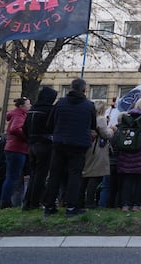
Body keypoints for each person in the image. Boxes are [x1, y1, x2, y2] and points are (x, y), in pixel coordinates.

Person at [42, 78, 97, 218]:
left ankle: (48, 206)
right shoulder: (89, 105)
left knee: (54, 174)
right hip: (79, 145)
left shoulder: (60, 103)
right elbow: (93, 125)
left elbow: (49, 124)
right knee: (75, 175)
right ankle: (72, 207)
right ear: (84, 90)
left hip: (60, 143)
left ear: (71, 88)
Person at [21, 86, 58, 211]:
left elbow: (24, 128)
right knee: (41, 175)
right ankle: (35, 202)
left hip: (32, 144)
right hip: (45, 144)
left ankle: (27, 201)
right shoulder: (50, 110)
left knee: (34, 174)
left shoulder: (32, 111)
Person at [80, 100, 114, 209]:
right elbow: (106, 134)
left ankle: (80, 200)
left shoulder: (87, 118)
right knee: (95, 176)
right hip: (97, 150)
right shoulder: (101, 119)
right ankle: (90, 202)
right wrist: (112, 130)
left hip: (88, 147)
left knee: (85, 175)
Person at [0, 97, 31, 208]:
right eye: (28, 104)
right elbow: (15, 129)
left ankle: (5, 200)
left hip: (12, 148)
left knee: (11, 176)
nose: (30, 106)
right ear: (22, 106)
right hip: (17, 148)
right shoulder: (19, 115)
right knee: (13, 177)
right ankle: (6, 201)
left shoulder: (15, 114)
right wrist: (27, 137)